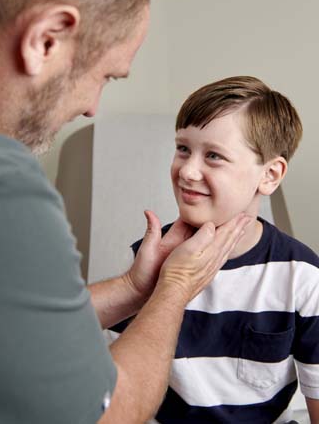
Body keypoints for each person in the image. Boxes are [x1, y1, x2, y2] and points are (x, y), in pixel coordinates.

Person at [0, 0, 251, 423]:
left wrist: (131, 290)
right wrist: (174, 289)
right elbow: (106, 414)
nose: (93, 107)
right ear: (46, 40)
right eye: (105, 76)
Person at [109, 76, 319, 423]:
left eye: (214, 156)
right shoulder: (145, 261)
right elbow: (114, 396)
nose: (188, 171)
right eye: (182, 149)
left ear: (270, 175)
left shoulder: (303, 276)